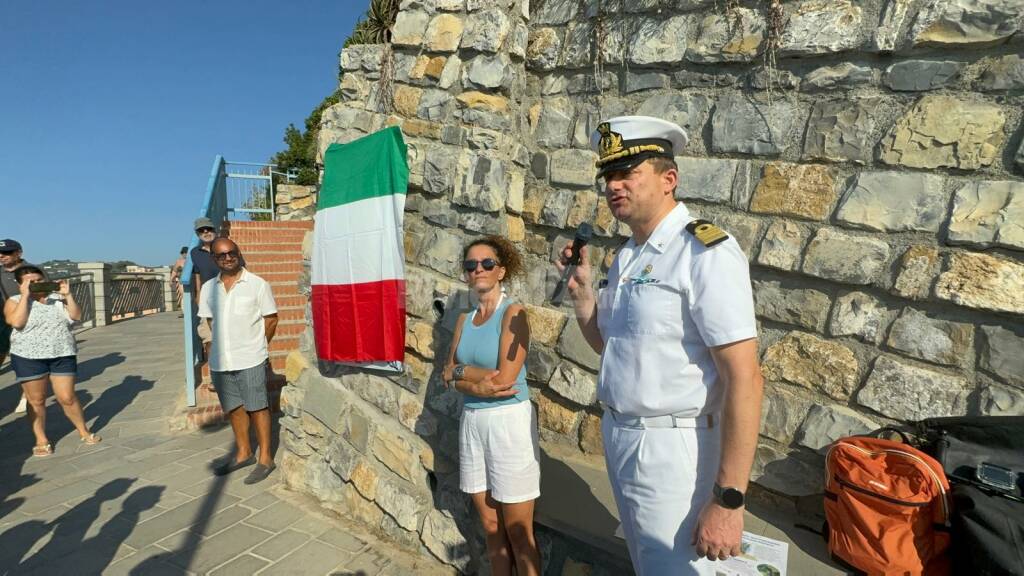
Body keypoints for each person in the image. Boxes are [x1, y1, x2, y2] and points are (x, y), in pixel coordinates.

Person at [555, 116, 763, 575]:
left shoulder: (704, 252)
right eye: (608, 176)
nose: (614, 186)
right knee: (648, 565)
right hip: (622, 438)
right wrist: (584, 293)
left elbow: (744, 377)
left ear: (669, 179)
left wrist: (728, 500)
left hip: (675, 451)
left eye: (628, 173)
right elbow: (609, 347)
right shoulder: (630, 255)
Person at [443, 236, 541, 576]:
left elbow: (504, 381)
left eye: (486, 264)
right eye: (471, 265)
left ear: (501, 270)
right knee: (489, 523)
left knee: (518, 531)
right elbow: (446, 372)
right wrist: (471, 380)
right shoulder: (464, 321)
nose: (478, 270)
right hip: (473, 422)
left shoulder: (513, 313)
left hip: (508, 423)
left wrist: (462, 377)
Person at [197, 238, 279, 484]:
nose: (228, 258)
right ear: (214, 259)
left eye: (231, 253)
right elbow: (209, 322)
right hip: (222, 361)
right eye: (221, 255)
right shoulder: (209, 289)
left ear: (239, 253)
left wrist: (257, 345)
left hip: (251, 357)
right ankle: (243, 453)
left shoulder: (257, 285)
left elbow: (271, 319)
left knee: (257, 406)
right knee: (233, 407)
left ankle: (266, 458)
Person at [4, 265, 101, 456]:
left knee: (67, 397)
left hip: (62, 353)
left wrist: (68, 295)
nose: (36, 284)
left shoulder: (57, 299)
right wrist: (25, 296)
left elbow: (76, 316)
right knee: (37, 400)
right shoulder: (14, 301)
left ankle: (83, 430)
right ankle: (41, 439)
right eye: (30, 281)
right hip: (28, 357)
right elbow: (17, 322)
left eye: (39, 280)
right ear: (19, 283)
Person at [190, 218, 245, 355]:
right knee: (209, 338)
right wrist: (198, 294)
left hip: (230, 296)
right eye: (202, 230)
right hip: (208, 300)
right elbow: (197, 274)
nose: (206, 232)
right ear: (197, 234)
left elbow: (241, 268)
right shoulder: (195, 253)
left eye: (209, 228)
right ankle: (216, 372)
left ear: (215, 230)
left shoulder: (227, 247)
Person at [1, 238, 33, 414]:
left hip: (26, 321)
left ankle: (25, 396)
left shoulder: (32, 271)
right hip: (3, 321)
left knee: (23, 361)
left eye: (6, 252)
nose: (1, 256)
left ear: (18, 253)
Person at [170, 246, 187, 312]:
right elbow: (174, 271)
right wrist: (171, 280)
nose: (185, 254)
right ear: (182, 253)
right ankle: (184, 311)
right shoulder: (179, 261)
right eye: (183, 253)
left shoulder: (192, 260)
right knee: (183, 295)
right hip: (181, 281)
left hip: (192, 281)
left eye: (186, 252)